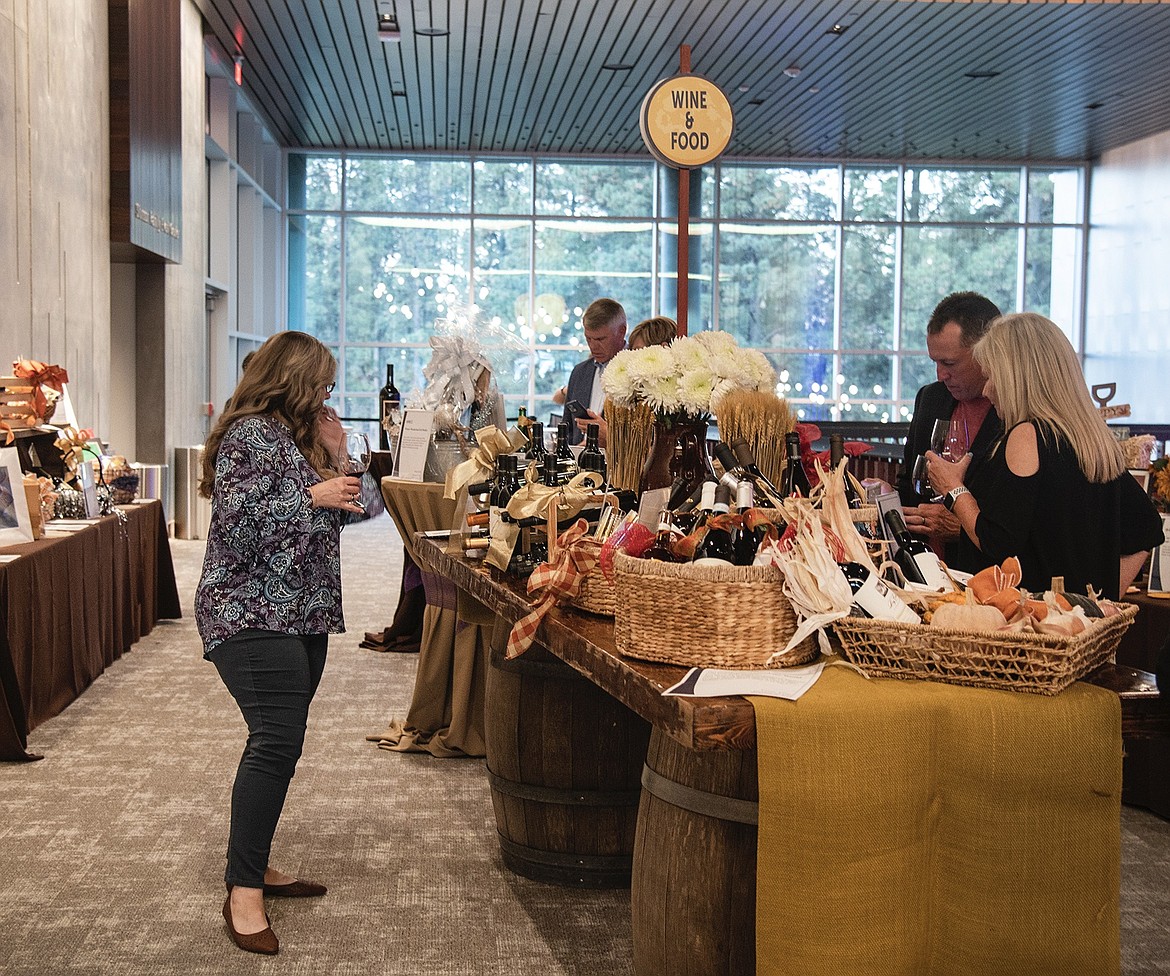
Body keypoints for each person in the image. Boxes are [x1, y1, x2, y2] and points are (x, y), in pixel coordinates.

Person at [196, 330, 369, 955]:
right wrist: (310, 496)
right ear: (292, 380)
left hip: (304, 614)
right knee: (275, 739)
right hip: (248, 613)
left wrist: (341, 452)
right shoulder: (248, 435)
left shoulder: (303, 438)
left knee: (280, 742)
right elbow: (237, 527)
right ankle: (243, 890)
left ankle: (254, 859)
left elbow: (367, 507)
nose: (326, 394)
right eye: (320, 383)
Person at [926, 312, 1164, 600]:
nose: (988, 390)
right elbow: (1146, 529)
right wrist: (1098, 605)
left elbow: (998, 544)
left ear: (1019, 378)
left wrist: (954, 489)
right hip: (1076, 631)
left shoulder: (1027, 435)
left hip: (1029, 630)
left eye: (993, 377)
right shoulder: (1090, 438)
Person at [897, 291, 1003, 569]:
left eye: (949, 363)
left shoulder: (1017, 413)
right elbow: (911, 482)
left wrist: (965, 526)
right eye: (935, 361)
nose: (940, 375)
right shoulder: (931, 398)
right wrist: (887, 495)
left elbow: (1022, 524)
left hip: (986, 576)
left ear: (987, 352)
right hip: (923, 569)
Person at [552, 298, 627, 445]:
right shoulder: (579, 372)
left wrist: (611, 438)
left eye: (600, 339)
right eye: (588, 339)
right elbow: (567, 429)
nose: (593, 346)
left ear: (621, 331)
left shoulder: (638, 373)